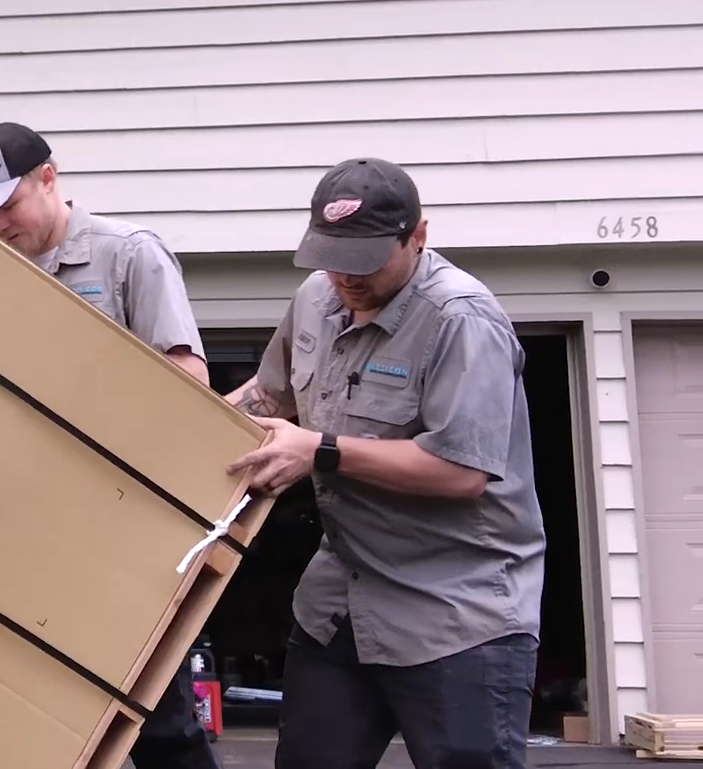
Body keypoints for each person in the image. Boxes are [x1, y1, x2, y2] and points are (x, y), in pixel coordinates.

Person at [221, 158, 546, 769]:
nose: (345, 276)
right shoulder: (316, 298)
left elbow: (461, 473)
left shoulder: (461, 319)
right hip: (341, 603)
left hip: (456, 614)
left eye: (364, 259)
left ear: (417, 236)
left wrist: (318, 450)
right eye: (331, 256)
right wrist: (181, 427)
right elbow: (270, 396)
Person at [0, 122, 220, 769]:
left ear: (48, 178)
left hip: (128, 530)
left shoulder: (129, 256)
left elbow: (189, 382)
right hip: (31, 529)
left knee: (158, 720)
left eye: (8, 205)